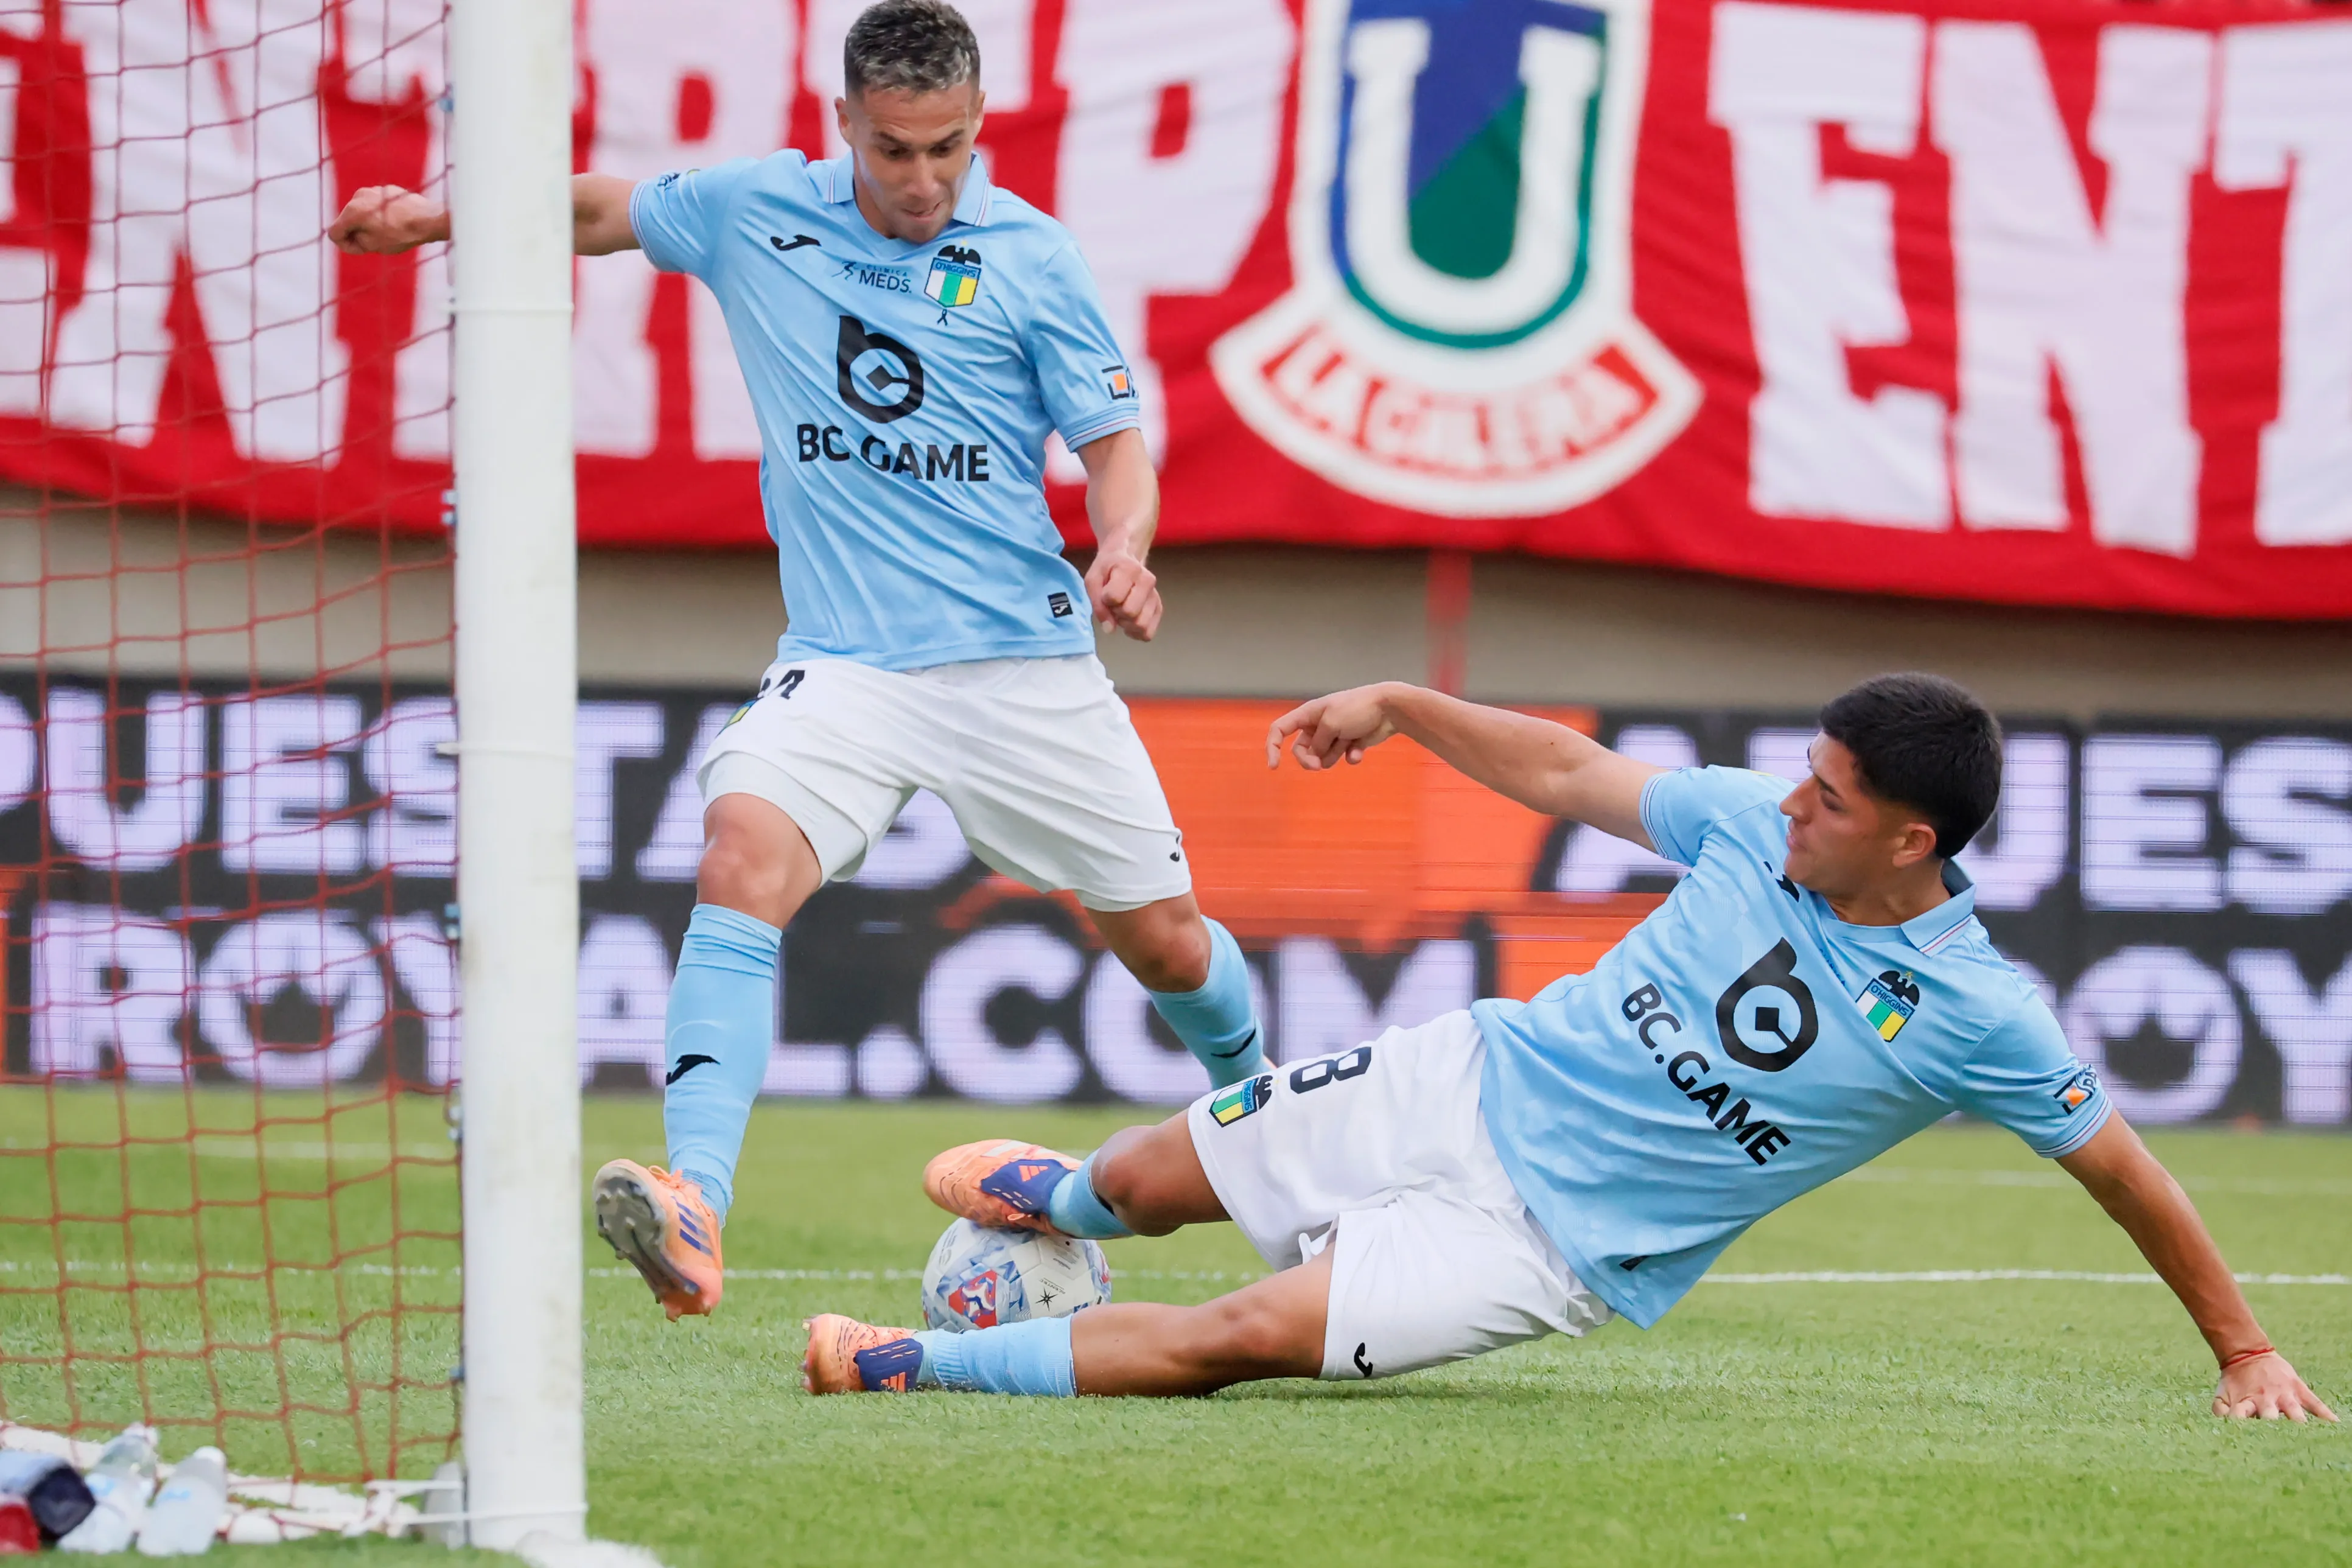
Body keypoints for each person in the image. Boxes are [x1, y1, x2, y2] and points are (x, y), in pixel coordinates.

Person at [328, 0, 1267, 1320]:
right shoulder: (760, 209)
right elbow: (598, 210)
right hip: (846, 665)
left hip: (1024, 668)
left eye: (949, 148)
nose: (926, 178)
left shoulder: (1030, 257)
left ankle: (1270, 1116)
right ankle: (697, 1200)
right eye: (897, 151)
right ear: (845, 127)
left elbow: (1114, 441)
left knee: (1169, 949)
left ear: (978, 126)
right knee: (738, 858)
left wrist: (1125, 546)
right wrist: (432, 220)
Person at [803, 674, 2336, 1422]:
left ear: (1911, 839)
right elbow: (1571, 769)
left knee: (1237, 1338)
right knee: (1144, 1182)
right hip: (1468, 1078)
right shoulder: (1753, 824)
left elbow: (2123, 1171)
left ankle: (908, 1361)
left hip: (1548, 1249)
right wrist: (1402, 702)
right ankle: (1062, 1201)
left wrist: (2246, 1347)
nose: (1791, 806)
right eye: (1801, 779)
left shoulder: (1980, 1012)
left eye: (1829, 799)